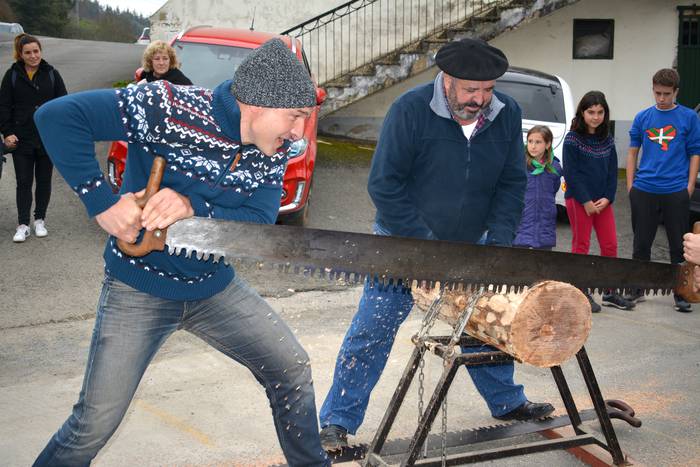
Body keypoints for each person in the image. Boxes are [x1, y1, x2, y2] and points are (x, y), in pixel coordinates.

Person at [31, 38, 328, 467]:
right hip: (139, 290)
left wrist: (195, 209)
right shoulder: (165, 105)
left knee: (292, 368)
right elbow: (58, 117)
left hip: (213, 288)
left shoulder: (272, 151)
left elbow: (259, 222)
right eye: (295, 117)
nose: (299, 132)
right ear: (257, 104)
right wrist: (103, 203)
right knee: (93, 424)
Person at [319, 38, 554, 452]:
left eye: (488, 89)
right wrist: (425, 247)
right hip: (404, 244)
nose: (480, 99)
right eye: (470, 90)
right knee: (372, 331)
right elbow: (385, 185)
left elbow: (511, 185)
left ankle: (506, 402)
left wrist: (498, 242)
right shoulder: (409, 111)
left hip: (474, 243)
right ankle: (337, 421)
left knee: (486, 328)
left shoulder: (507, 114)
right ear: (446, 80)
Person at [625, 68, 700, 313]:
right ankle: (637, 289)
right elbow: (633, 152)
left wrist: (688, 186)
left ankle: (681, 292)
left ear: (676, 91)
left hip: (675, 190)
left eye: (667, 94)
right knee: (641, 243)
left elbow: (694, 153)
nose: (661, 99)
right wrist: (630, 186)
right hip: (644, 188)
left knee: (679, 245)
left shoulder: (689, 118)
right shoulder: (643, 117)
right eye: (657, 93)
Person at [0, 33, 67, 242]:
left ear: (41, 51)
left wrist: (59, 132)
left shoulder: (52, 74)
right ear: (20, 54)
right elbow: (3, 107)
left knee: (44, 180)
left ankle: (39, 220)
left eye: (36, 51)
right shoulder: (11, 75)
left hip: (47, 138)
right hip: (21, 139)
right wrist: (7, 132)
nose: (33, 56)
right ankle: (22, 225)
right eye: (27, 52)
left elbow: (63, 106)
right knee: (23, 181)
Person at [513, 125, 562, 251]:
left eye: (538, 142)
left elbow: (554, 188)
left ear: (547, 144)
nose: (533, 146)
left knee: (542, 264)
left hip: (545, 222)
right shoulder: (519, 165)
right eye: (530, 141)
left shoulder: (555, 167)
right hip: (522, 221)